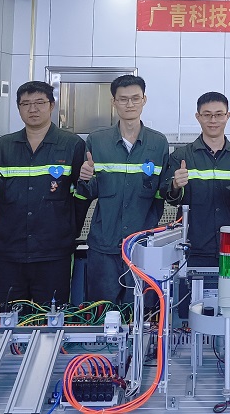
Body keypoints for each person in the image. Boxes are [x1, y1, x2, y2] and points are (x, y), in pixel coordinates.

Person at [0, 80, 87, 305]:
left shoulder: (72, 145)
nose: (33, 109)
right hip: (11, 250)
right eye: (26, 104)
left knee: (51, 317)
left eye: (40, 102)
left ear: (52, 105)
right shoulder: (3, 146)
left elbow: (82, 196)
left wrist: (69, 230)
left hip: (54, 251)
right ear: (18, 108)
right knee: (8, 317)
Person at [77, 74, 169, 303]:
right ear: (114, 102)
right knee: (101, 311)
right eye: (123, 99)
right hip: (104, 245)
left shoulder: (158, 144)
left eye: (135, 98)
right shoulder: (97, 141)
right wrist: (85, 179)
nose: (130, 104)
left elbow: (164, 192)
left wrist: (176, 185)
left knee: (142, 312)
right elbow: (88, 193)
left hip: (143, 246)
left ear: (144, 100)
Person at [162, 92, 230, 268]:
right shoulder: (181, 157)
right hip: (192, 247)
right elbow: (170, 198)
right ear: (198, 117)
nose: (213, 120)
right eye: (207, 115)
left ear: (227, 116)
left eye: (219, 114)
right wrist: (175, 184)